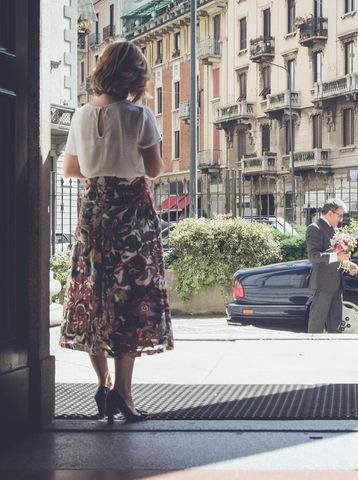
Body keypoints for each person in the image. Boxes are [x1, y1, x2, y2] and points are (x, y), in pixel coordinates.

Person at [59, 41, 173, 424]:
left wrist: (100, 163)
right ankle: (124, 394)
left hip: (95, 210)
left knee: (93, 294)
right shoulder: (140, 115)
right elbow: (155, 169)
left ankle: (103, 384)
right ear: (135, 77)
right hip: (132, 215)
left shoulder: (80, 116)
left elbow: (70, 169)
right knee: (131, 300)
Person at [306, 199, 358, 333]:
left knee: (335, 325)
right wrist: (337, 257)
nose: (341, 219)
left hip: (336, 284)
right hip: (322, 285)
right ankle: (312, 351)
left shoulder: (333, 229)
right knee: (316, 324)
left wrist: (348, 264)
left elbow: (337, 256)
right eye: (340, 215)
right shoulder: (315, 228)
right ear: (330, 213)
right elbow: (313, 256)